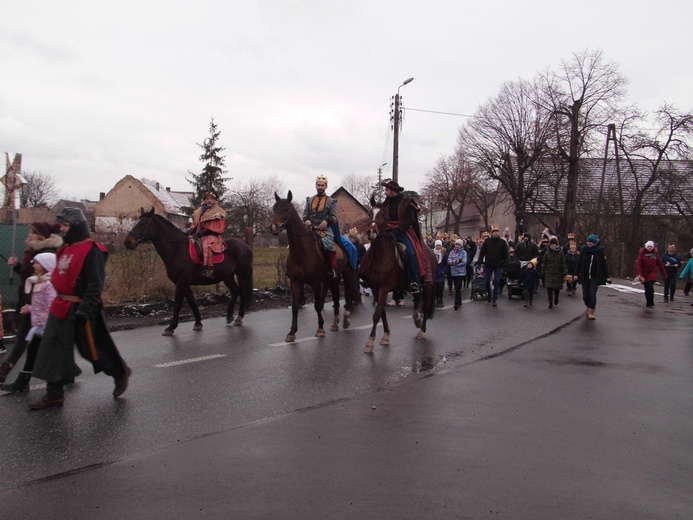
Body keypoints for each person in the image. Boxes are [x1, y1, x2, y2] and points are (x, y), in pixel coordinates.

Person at [28, 208, 131, 410]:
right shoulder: (64, 249)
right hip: (60, 306)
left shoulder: (92, 249)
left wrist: (85, 308)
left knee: (90, 350)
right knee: (53, 349)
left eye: (66, 225)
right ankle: (54, 394)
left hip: (82, 307)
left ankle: (119, 372)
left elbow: (95, 283)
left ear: (76, 226)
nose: (63, 229)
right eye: (62, 226)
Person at [0, 222, 63, 382]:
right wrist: (17, 266)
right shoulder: (34, 251)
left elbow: (42, 280)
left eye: (32, 232)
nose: (29, 235)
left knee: (27, 338)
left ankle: (8, 368)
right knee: (33, 341)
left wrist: (31, 305)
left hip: (37, 304)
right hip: (31, 301)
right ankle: (24, 377)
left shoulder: (46, 253)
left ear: (41, 236)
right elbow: (30, 275)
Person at [2, 253, 57, 392]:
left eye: (37, 263)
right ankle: (24, 381)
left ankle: (58, 383)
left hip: (47, 326)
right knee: (34, 351)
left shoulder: (48, 284)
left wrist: (31, 308)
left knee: (47, 354)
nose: (33, 265)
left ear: (46, 266)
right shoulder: (38, 281)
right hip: (38, 326)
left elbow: (52, 305)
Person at [380, 180, 425, 294]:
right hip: (388, 231)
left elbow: (410, 220)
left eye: (387, 190)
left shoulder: (406, 202)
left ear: (393, 191)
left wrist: (398, 230)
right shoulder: (386, 203)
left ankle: (414, 282)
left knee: (410, 253)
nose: (385, 193)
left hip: (403, 232)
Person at [303, 175, 338, 278]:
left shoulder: (331, 201)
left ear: (326, 186)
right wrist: (306, 220)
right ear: (315, 186)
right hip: (310, 229)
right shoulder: (309, 200)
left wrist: (327, 221)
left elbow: (334, 217)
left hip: (325, 231)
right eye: (318, 185)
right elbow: (305, 214)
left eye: (322, 185)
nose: (320, 187)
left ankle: (332, 269)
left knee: (328, 245)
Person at [190, 191, 227, 279]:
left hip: (212, 235)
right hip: (198, 234)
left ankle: (209, 269)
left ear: (214, 200)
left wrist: (202, 233)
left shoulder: (218, 212)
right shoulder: (199, 211)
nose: (209, 200)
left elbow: (217, 228)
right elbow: (195, 224)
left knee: (206, 245)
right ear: (204, 200)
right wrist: (190, 232)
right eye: (207, 199)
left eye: (211, 199)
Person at [577, 234, 611, 320]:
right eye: (588, 241)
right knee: (585, 296)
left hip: (595, 276)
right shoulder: (583, 250)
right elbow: (579, 262)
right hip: (585, 276)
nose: (589, 243)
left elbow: (604, 264)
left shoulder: (600, 251)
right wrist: (576, 274)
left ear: (595, 243)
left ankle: (591, 312)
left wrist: (607, 276)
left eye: (591, 242)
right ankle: (588, 306)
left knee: (592, 294)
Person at [478, 225, 509, 307]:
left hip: (498, 265)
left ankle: (494, 299)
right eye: (494, 232)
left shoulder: (502, 242)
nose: (495, 233)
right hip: (488, 264)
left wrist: (506, 265)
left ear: (498, 233)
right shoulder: (487, 241)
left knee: (497, 281)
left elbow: (506, 255)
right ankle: (489, 294)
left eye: (496, 232)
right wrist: (479, 263)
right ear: (492, 233)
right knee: (487, 281)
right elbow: (482, 253)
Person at [635, 240, 668, 308]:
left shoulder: (655, 254)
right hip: (644, 274)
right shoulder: (642, 254)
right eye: (648, 246)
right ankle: (648, 302)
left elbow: (660, 264)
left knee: (650, 286)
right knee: (647, 289)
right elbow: (639, 264)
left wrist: (664, 274)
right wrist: (639, 274)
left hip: (653, 272)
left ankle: (651, 302)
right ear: (646, 247)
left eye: (651, 246)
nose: (650, 248)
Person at [542, 236, 567, 309]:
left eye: (554, 244)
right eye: (552, 244)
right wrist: (543, 271)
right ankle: (550, 303)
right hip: (549, 272)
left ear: (556, 245)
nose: (553, 246)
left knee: (556, 288)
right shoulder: (547, 253)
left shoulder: (560, 253)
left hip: (558, 272)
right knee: (549, 288)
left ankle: (556, 298)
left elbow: (563, 263)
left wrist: (564, 272)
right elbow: (544, 263)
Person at [447, 239, 467, 310]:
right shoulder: (452, 252)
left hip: (461, 273)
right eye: (456, 244)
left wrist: (455, 264)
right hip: (454, 272)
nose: (457, 246)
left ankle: (456, 303)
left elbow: (464, 262)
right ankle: (459, 301)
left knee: (458, 288)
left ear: (461, 245)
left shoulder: (464, 252)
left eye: (459, 244)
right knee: (456, 287)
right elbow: (449, 262)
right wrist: (457, 261)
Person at [433, 240, 448, 307]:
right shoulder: (432, 253)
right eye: (437, 245)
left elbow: (446, 263)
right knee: (435, 287)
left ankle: (440, 299)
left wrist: (444, 270)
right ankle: (436, 299)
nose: (438, 247)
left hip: (441, 272)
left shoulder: (444, 253)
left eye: (439, 245)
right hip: (434, 272)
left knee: (440, 287)